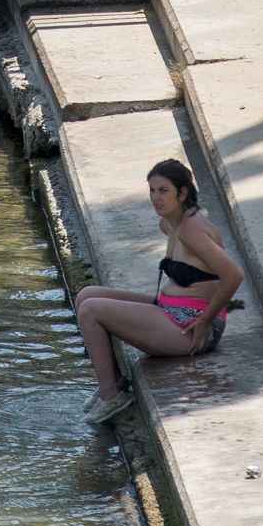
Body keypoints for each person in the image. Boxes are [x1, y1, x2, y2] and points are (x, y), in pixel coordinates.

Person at [70, 158, 243, 425]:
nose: (155, 198)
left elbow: (234, 274)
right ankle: (113, 381)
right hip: (169, 310)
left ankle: (111, 395)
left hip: (190, 328)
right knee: (86, 295)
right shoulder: (171, 224)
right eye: (152, 190)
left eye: (164, 191)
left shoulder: (191, 230)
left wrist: (207, 319)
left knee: (91, 310)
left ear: (182, 192)